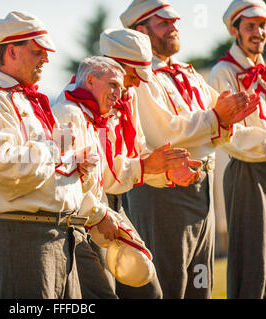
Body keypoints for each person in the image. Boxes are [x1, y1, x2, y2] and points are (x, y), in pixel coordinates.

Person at [0, 11, 113, 299]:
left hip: (54, 232)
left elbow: (39, 161)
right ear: (11, 51)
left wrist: (73, 164)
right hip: (21, 235)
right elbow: (7, 171)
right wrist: (59, 149)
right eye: (37, 52)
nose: (46, 59)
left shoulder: (25, 98)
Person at [118, 0, 260, 299]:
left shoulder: (189, 73)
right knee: (170, 283)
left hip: (201, 185)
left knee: (200, 283)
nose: (174, 28)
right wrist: (216, 119)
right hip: (163, 191)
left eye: (174, 23)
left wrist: (225, 118)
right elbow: (164, 132)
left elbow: (219, 127)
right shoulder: (139, 77)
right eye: (164, 24)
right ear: (141, 31)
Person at [55, 29, 201, 298]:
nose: (135, 84)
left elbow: (139, 151)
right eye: (133, 75)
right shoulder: (71, 107)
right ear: (111, 65)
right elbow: (95, 174)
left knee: (147, 290)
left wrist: (166, 171)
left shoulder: (126, 95)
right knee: (104, 293)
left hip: (114, 204)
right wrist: (148, 168)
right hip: (87, 210)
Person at [208, 0, 266, 299]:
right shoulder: (222, 72)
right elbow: (228, 134)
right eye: (250, 26)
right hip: (247, 170)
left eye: (262, 26)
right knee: (252, 261)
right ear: (234, 30)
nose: (258, 32)